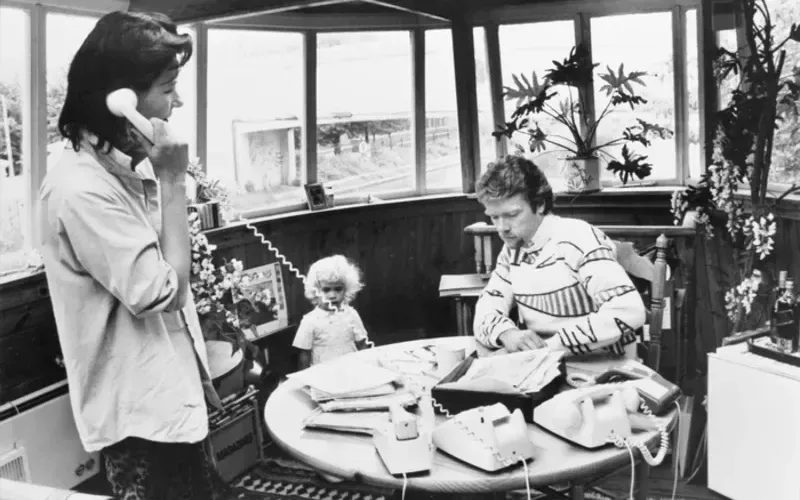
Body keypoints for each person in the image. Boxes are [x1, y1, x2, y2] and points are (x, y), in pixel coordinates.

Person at [39, 11, 228, 500]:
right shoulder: (82, 190)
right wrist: (172, 180)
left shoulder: (117, 175)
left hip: (169, 409)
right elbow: (164, 290)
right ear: (120, 99)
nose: (178, 100)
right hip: (144, 428)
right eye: (168, 88)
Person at [472, 155, 646, 357]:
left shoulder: (577, 239)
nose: (502, 228)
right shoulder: (512, 249)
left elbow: (629, 311)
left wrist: (552, 347)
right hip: (545, 364)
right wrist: (506, 333)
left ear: (539, 205)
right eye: (494, 217)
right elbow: (487, 306)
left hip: (604, 365)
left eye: (512, 215)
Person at [293, 255, 369, 369]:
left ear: (347, 289)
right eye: (326, 290)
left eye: (338, 289)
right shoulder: (310, 321)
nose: (332, 295)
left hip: (351, 370)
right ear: (315, 290)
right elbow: (304, 355)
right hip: (323, 373)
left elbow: (363, 344)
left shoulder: (351, 315)